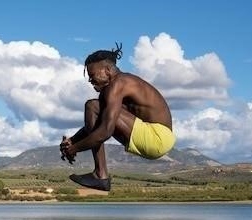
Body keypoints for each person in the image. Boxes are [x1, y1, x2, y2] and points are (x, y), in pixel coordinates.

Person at [60, 43, 175, 191]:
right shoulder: (117, 87)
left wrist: (74, 149)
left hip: (156, 137)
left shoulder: (118, 84)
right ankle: (100, 174)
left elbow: (105, 131)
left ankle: (100, 174)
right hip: (159, 138)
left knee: (92, 106)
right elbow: (99, 123)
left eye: (92, 75)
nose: (90, 80)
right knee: (96, 108)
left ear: (107, 70)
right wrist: (72, 141)